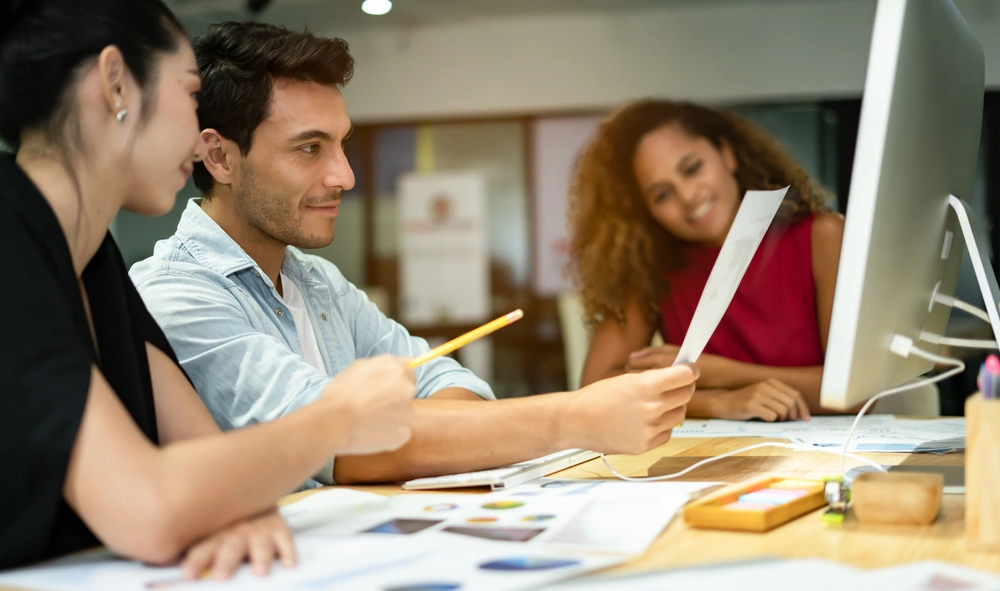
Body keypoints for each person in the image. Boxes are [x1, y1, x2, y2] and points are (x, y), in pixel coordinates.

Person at [130, 22, 698, 486]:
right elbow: (330, 445)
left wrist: (414, 432)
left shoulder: (317, 282)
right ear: (221, 159)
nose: (345, 175)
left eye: (342, 144)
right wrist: (574, 419)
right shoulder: (173, 295)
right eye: (309, 148)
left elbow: (448, 382)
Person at [0, 0, 418, 577]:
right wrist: (338, 419)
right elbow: (151, 506)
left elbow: (202, 455)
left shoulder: (92, 258)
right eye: (190, 96)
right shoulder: (0, 248)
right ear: (115, 84)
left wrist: (232, 502)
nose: (198, 142)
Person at [570, 99, 848, 422]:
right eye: (662, 194)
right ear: (646, 212)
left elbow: (854, 393)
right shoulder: (654, 271)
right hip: (712, 459)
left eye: (692, 169)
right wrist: (718, 403)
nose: (687, 197)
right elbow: (594, 386)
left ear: (726, 153)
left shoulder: (822, 236)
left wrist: (709, 373)